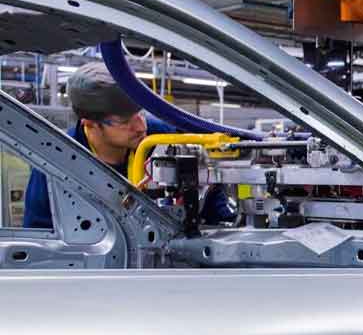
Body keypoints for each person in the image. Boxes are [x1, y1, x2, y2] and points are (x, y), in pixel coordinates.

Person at [23, 62, 234, 229]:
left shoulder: (162, 138)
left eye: (140, 113)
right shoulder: (57, 159)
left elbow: (210, 195)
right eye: (125, 122)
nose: (140, 126)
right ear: (90, 123)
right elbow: (39, 230)